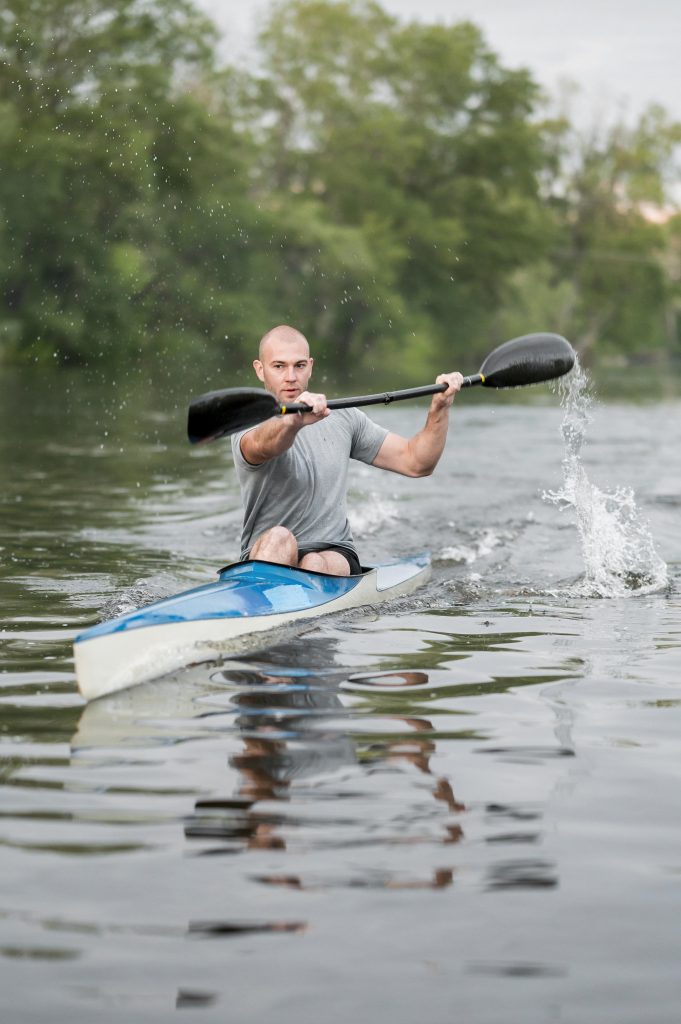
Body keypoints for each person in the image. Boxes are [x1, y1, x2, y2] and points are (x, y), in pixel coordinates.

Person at [231, 324, 463, 576]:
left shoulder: (345, 418)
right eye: (279, 366)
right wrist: (292, 421)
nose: (290, 376)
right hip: (267, 556)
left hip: (333, 553)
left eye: (299, 366)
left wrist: (440, 407)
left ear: (310, 366)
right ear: (260, 370)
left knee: (313, 563)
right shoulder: (246, 422)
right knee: (279, 537)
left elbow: (417, 462)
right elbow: (264, 445)